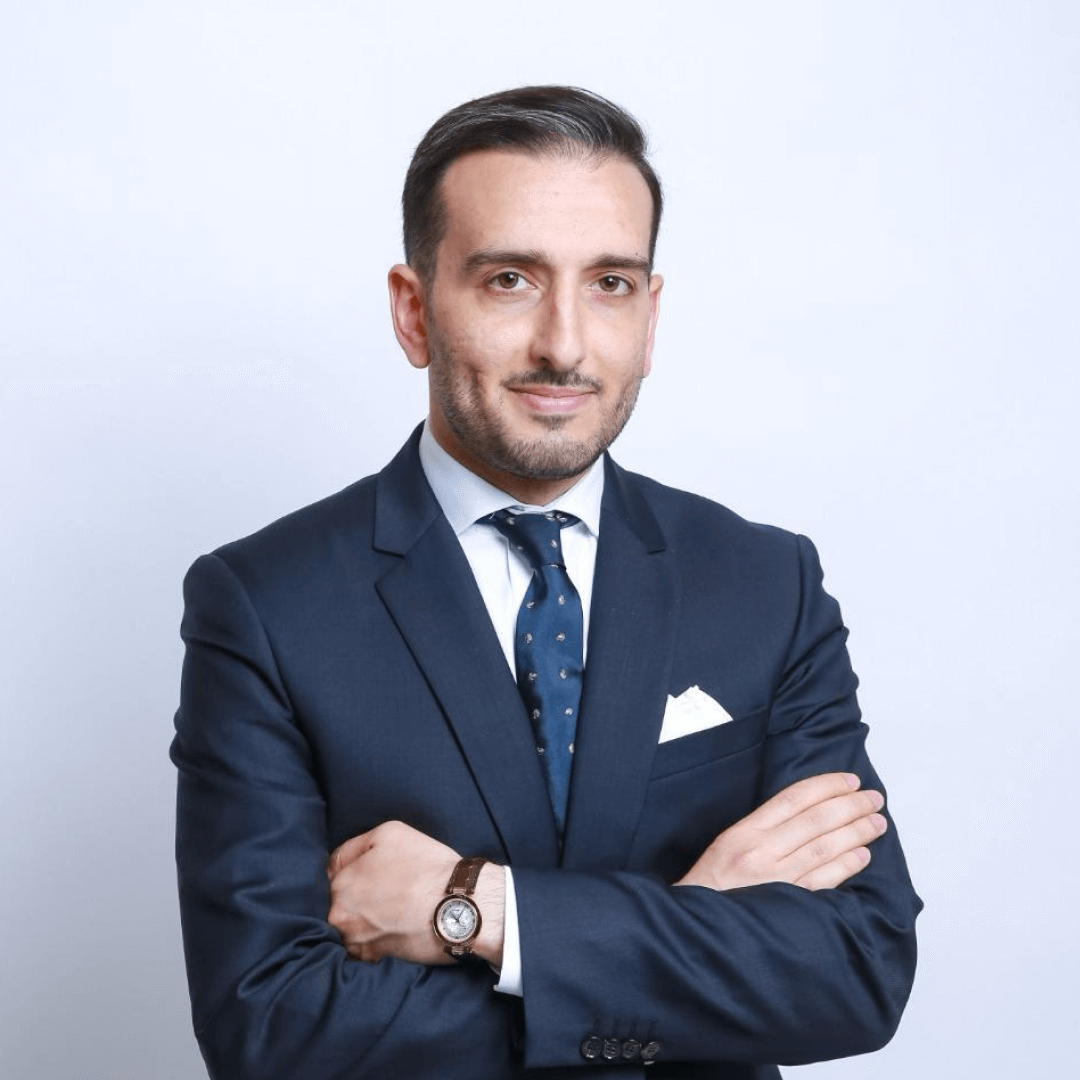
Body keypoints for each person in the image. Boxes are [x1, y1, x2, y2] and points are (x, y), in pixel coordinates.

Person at [172, 86, 921, 1080]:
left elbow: (857, 970)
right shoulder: (265, 605)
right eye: (510, 280)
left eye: (610, 283)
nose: (564, 345)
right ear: (413, 311)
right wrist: (695, 921)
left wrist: (485, 912)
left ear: (650, 315)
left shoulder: (765, 584)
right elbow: (272, 1030)